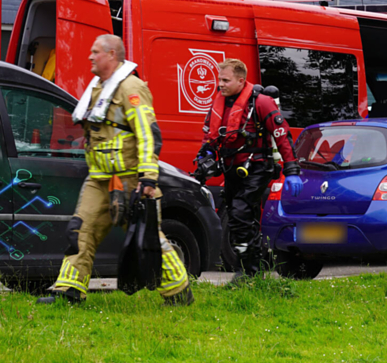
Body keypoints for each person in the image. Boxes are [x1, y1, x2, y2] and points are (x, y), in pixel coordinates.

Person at [37, 35, 193, 305]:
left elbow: (147, 135)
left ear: (111, 55)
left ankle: (178, 290)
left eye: (95, 52)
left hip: (131, 179)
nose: (90, 56)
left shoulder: (131, 88)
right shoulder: (98, 87)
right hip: (99, 179)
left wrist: (148, 178)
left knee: (148, 236)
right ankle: (69, 290)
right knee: (80, 230)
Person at [197, 59, 301, 281]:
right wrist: (205, 157)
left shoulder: (261, 103)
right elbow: (210, 137)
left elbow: (282, 136)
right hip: (232, 169)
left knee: (241, 214)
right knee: (240, 219)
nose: (220, 84)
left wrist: (291, 169)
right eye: (219, 79)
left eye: (225, 80)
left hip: (257, 167)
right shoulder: (219, 103)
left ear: (241, 80)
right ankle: (254, 270)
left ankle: (249, 272)